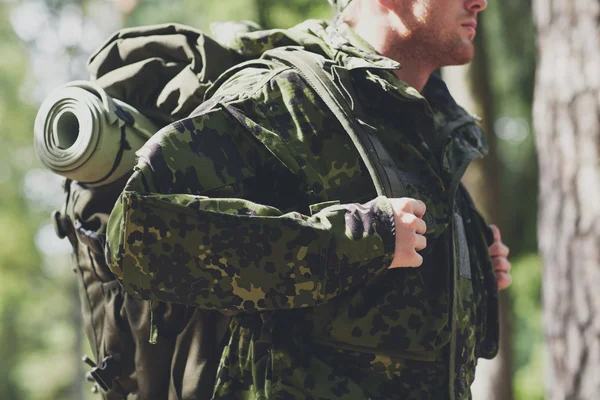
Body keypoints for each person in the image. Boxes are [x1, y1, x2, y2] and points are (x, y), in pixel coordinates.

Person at [105, 0, 512, 398]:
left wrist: (470, 268)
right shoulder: (287, 95)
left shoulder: (434, 123)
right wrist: (359, 240)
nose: (480, 3)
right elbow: (134, 234)